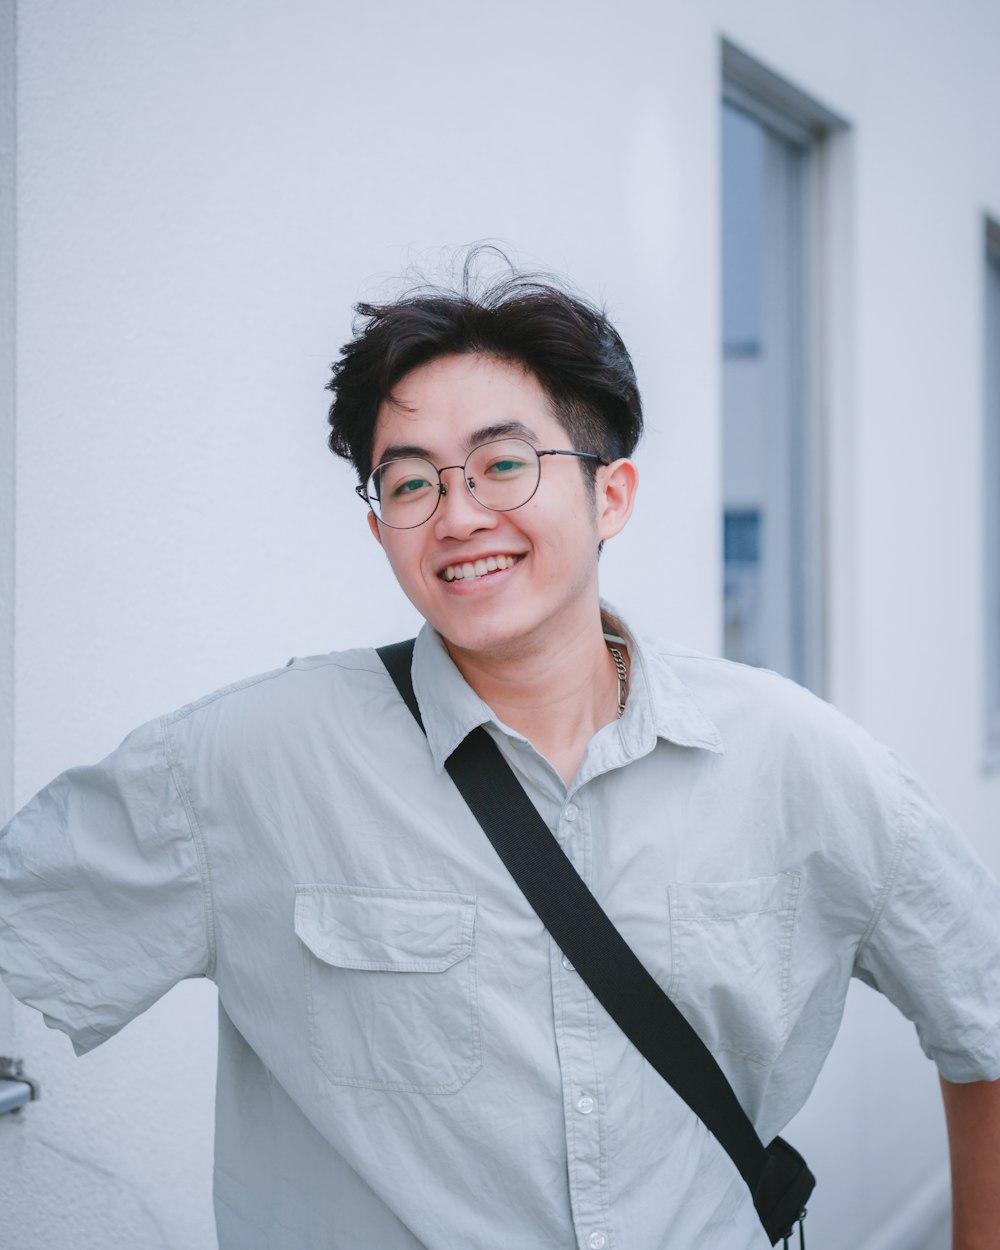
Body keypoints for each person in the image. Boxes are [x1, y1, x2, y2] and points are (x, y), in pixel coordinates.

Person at [1, 255, 999, 1250]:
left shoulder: (793, 757)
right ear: (378, 524)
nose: (460, 512)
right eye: (409, 481)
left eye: (504, 463)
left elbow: (981, 1016)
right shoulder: (248, 762)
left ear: (610, 496)